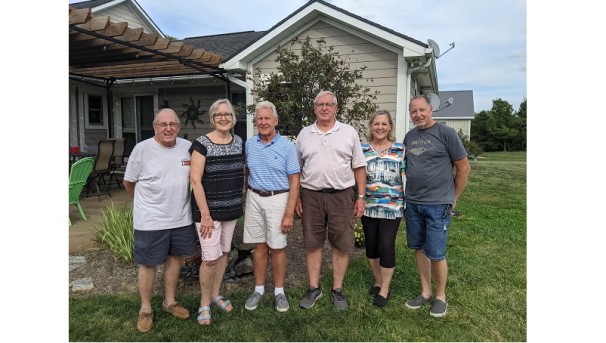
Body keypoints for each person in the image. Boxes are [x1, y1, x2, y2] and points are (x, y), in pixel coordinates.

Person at [123, 108, 197, 333]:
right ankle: (145, 308)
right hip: (151, 220)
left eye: (172, 124)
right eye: (163, 124)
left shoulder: (186, 147)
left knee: (175, 258)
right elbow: (129, 182)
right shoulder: (142, 149)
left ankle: (170, 301)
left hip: (181, 217)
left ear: (178, 127)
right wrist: (146, 205)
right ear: (155, 127)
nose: (168, 128)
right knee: (148, 263)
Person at [294, 90, 367, 311]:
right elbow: (295, 169)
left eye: (329, 104)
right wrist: (296, 196)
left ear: (336, 108)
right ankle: (314, 288)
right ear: (314, 108)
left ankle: (337, 290)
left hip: (341, 196)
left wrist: (361, 197)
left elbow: (359, 166)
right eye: (320, 104)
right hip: (311, 195)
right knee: (312, 243)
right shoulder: (304, 134)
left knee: (342, 244)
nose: (324, 108)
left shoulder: (348, 132)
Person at [403, 94, 471, 318]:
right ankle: (425, 292)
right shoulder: (409, 137)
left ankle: (440, 296)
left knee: (437, 253)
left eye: (422, 110)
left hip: (437, 204)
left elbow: (463, 167)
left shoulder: (446, 133)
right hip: (413, 202)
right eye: (414, 111)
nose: (418, 115)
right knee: (420, 249)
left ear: (431, 110)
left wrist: (454, 197)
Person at [189, 98, 245, 325]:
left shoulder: (239, 141)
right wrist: (205, 215)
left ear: (233, 118)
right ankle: (204, 302)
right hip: (207, 214)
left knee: (223, 254)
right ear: (213, 118)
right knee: (210, 259)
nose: (224, 118)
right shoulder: (202, 143)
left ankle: (215, 294)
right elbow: (195, 179)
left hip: (230, 208)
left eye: (228, 114)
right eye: (219, 115)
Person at [243, 101, 301, 313]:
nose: (264, 122)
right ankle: (258, 289)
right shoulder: (250, 144)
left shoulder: (287, 147)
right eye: (260, 118)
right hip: (254, 197)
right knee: (260, 246)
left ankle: (279, 291)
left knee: (277, 247)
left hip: (278, 199)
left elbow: (295, 181)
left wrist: (289, 213)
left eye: (267, 118)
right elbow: (247, 172)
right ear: (256, 121)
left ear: (275, 121)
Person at [360, 110, 405, 308]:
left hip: (392, 207)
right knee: (371, 247)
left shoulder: (400, 149)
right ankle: (377, 281)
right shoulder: (361, 150)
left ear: (390, 127)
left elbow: (408, 177)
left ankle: (385, 289)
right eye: (376, 124)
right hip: (368, 206)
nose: (380, 127)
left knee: (386, 246)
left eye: (384, 124)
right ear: (371, 126)